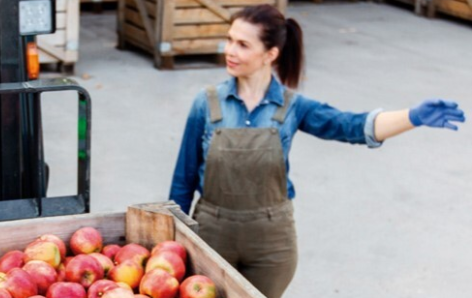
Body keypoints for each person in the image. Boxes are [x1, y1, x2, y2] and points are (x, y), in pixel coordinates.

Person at [168, 5, 464, 298]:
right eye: (230, 39)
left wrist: (412, 117)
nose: (230, 50)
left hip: (271, 245)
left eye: (243, 44)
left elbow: (351, 126)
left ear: (270, 54)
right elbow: (184, 178)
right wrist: (172, 240)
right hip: (211, 235)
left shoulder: (292, 106)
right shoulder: (206, 103)